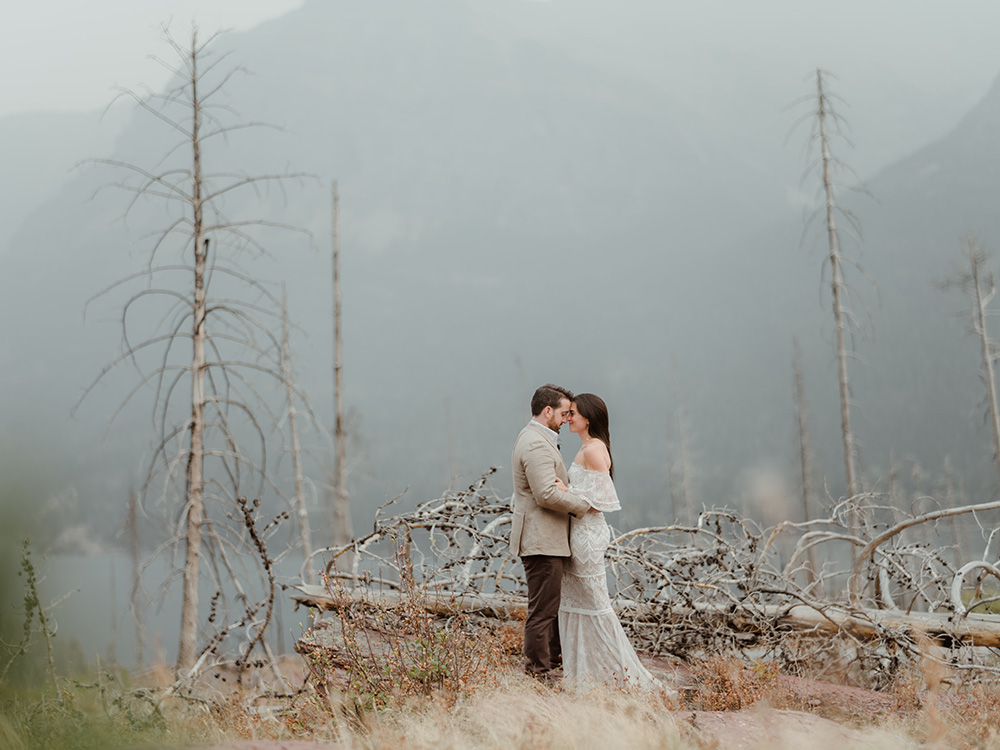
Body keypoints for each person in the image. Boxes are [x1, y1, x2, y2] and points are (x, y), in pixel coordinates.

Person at [555, 392, 665, 692]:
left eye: (573, 413)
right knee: (575, 604)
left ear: (588, 418)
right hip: (579, 532)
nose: (568, 418)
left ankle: (625, 678)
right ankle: (585, 677)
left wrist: (565, 492)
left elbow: (601, 502)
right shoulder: (590, 447)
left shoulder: (592, 450)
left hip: (587, 535)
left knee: (596, 604)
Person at [509, 384, 592, 682]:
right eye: (563, 413)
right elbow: (545, 494)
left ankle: (551, 665)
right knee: (543, 610)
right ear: (547, 411)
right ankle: (538, 674)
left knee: (550, 608)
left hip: (547, 539)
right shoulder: (534, 443)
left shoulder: (539, 438)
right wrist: (583, 505)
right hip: (540, 540)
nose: (567, 418)